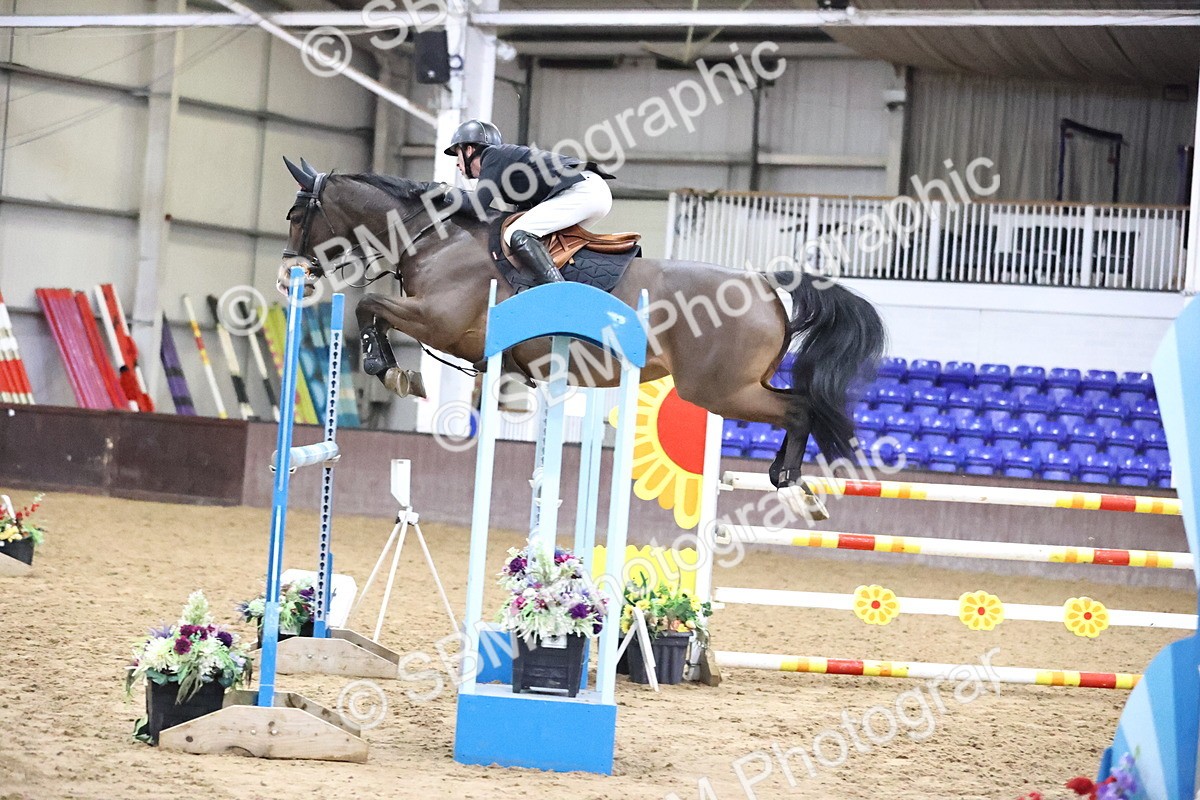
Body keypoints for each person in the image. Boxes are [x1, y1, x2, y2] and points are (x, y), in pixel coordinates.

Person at [444, 119, 615, 285]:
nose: (457, 164)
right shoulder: (504, 165)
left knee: (516, 233)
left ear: (469, 150)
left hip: (583, 190)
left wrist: (443, 191)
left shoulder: (492, 155)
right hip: (591, 192)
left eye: (457, 155)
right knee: (546, 244)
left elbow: (476, 206)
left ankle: (557, 291)